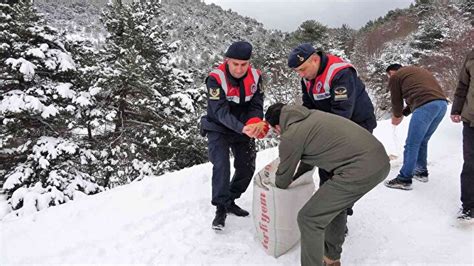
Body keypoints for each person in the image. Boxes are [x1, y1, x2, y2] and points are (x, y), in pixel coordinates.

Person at [264, 103, 390, 266]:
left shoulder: (291, 135)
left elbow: (282, 180)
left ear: (277, 126)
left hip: (359, 169)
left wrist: (276, 183)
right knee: (336, 207)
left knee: (309, 218)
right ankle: (331, 259)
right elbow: (308, 159)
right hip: (379, 161)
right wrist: (297, 176)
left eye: (275, 131)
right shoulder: (312, 116)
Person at [287, 43, 377, 218]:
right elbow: (309, 107)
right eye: (297, 71)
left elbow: (342, 112)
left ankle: (339, 215)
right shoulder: (306, 78)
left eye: (303, 69)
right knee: (326, 167)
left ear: (315, 59)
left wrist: (319, 138)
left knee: (344, 172)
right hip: (331, 124)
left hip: (357, 125)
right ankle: (331, 210)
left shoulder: (340, 73)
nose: (301, 74)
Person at [200, 41, 268, 231]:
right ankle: (220, 208)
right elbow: (220, 111)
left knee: (247, 166)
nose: (239, 69)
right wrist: (242, 128)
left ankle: (231, 199)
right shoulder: (215, 78)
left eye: (243, 64)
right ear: (227, 61)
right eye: (235, 64)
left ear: (249, 63)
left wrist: (254, 123)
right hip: (218, 126)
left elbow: (256, 104)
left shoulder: (256, 77)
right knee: (221, 164)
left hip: (244, 127)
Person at [384, 64, 448, 190]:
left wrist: (397, 115)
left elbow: (396, 100)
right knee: (423, 140)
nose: (389, 78)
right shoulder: (418, 71)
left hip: (426, 106)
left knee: (412, 144)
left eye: (388, 76)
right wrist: (403, 113)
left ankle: (404, 179)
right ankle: (421, 171)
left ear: (391, 72)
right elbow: (422, 95)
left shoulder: (395, 76)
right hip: (442, 104)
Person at [451, 49, 474, 221]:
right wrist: (456, 109)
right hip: (471, 119)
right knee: (470, 164)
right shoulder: (471, 56)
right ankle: (469, 207)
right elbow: (463, 84)